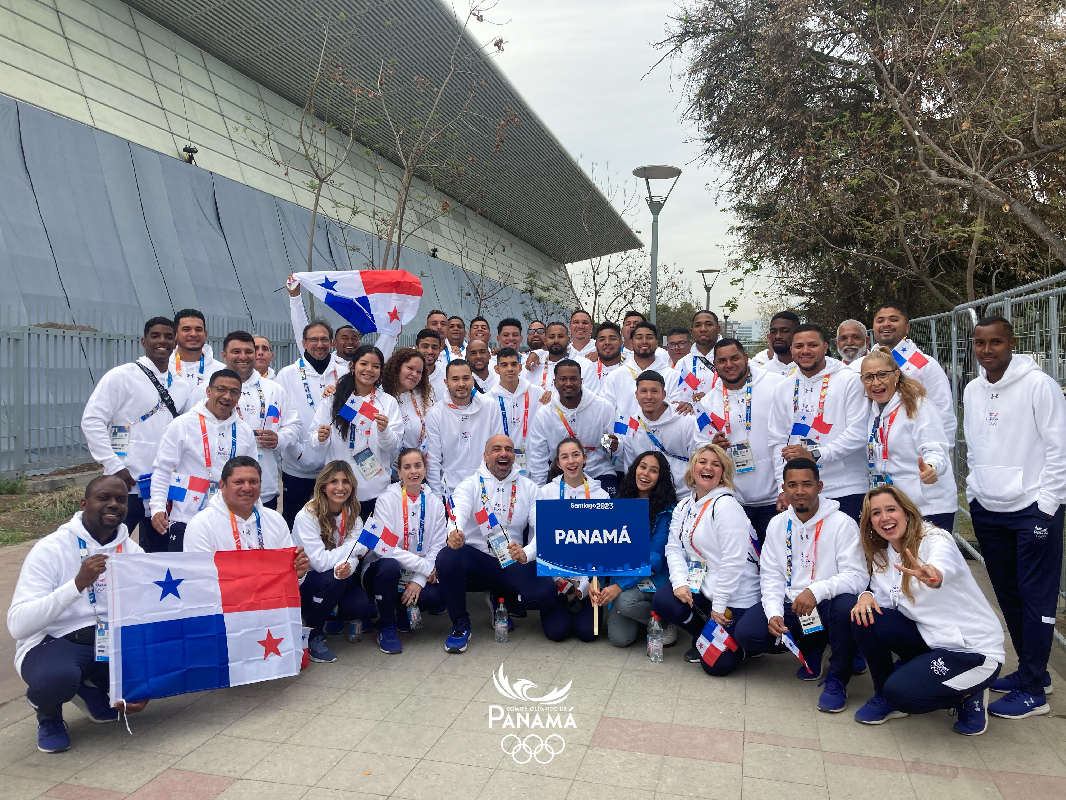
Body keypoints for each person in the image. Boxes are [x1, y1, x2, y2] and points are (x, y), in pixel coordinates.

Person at [964, 316, 1066, 717]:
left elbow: (1059, 448)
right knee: (1006, 593)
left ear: (1012, 343)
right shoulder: (973, 389)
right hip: (988, 509)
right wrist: (973, 492)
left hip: (1030, 510)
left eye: (996, 342)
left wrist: (1047, 505)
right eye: (980, 343)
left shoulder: (1039, 385)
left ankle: (1034, 692)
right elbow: (973, 445)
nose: (987, 350)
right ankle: (1033, 673)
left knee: (1035, 596)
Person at [8, 476, 149, 753]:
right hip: (55, 640)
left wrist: (143, 685)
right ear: (85, 504)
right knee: (56, 679)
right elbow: (17, 625)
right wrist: (76, 585)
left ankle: (88, 689)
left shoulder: (132, 551)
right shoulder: (51, 548)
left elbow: (144, 613)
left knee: (155, 665)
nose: (113, 505)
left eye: (121, 500)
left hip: (107, 640)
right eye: (104, 498)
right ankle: (49, 716)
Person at [850, 486, 1005, 735]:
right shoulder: (884, 554)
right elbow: (884, 602)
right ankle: (884, 694)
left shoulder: (935, 538)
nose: (885, 518)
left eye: (891, 509)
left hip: (971, 649)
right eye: (876, 513)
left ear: (907, 512)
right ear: (870, 522)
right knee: (864, 618)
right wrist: (866, 595)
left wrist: (935, 574)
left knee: (902, 693)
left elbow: (944, 563)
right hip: (931, 640)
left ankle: (968, 692)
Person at [733, 458, 866, 712]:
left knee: (847, 604)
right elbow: (770, 575)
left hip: (828, 607)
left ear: (820, 486)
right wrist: (773, 612)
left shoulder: (842, 524)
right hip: (792, 606)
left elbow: (857, 577)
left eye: (807, 484)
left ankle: (837, 678)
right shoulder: (778, 524)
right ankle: (811, 647)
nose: (800, 491)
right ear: (784, 489)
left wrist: (816, 591)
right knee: (747, 633)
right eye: (792, 485)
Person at [435, 434, 559, 653]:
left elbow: (545, 528)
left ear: (514, 456)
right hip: (477, 560)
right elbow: (458, 510)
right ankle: (461, 625)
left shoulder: (529, 488)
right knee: (447, 557)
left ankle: (501, 601)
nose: (504, 453)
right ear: (485, 455)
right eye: (497, 449)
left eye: (509, 449)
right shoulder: (471, 484)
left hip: (511, 559)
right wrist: (455, 531)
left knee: (546, 593)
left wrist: (527, 552)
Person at [82, 317, 191, 552]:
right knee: (107, 549)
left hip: (162, 487)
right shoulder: (121, 376)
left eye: (168, 336)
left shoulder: (181, 386)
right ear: (144, 341)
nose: (162, 341)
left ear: (175, 343)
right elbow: (92, 420)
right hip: (124, 485)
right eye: (155, 336)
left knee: (159, 556)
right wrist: (113, 466)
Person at [652, 444, 761, 674]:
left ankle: (739, 645)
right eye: (702, 462)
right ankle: (706, 634)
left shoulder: (726, 505)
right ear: (692, 467)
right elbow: (673, 548)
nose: (708, 467)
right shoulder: (684, 505)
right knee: (664, 599)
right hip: (703, 587)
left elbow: (734, 560)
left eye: (716, 464)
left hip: (734, 596)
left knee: (716, 666)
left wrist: (720, 604)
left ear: (723, 473)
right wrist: (680, 582)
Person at [766, 323, 869, 522]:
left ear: (824, 347)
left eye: (812, 345)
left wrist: (816, 455)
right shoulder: (784, 387)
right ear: (791, 349)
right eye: (799, 346)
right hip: (802, 492)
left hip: (846, 488)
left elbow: (858, 433)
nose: (805, 351)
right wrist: (784, 485)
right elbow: (777, 440)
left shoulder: (849, 381)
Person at [190, 331, 300, 511]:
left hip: (262, 490)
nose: (243, 357)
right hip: (214, 491)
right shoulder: (205, 390)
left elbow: (294, 424)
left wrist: (280, 439)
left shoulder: (274, 390)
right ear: (224, 355)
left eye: (248, 351)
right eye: (236, 351)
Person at [150, 369, 257, 552]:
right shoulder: (183, 424)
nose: (227, 396)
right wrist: (157, 507)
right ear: (209, 391)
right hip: (186, 518)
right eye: (221, 389)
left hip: (229, 520)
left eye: (234, 392)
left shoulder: (244, 430)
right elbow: (162, 469)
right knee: (186, 577)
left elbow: (253, 475)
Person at [361, 448, 448, 654]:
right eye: (407, 467)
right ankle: (387, 625)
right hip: (383, 568)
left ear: (425, 470)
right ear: (398, 473)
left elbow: (437, 545)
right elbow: (386, 548)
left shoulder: (435, 502)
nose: (413, 471)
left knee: (436, 596)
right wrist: (424, 568)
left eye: (418, 466)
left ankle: (401, 610)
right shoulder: (387, 500)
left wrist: (419, 579)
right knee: (389, 567)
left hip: (417, 573)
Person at [859, 347, 956, 530]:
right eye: (869, 377)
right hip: (895, 507)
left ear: (896, 375)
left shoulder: (919, 406)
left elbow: (935, 449)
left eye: (882, 375)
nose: (876, 383)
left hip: (928, 507)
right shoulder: (873, 410)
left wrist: (932, 467)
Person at [697, 339, 784, 544]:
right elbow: (698, 446)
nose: (729, 365)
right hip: (735, 502)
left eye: (734, 358)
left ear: (745, 358)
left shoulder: (775, 384)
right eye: (722, 361)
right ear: (715, 365)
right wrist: (712, 446)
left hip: (775, 498)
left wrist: (784, 488)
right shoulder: (707, 403)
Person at [290, 460, 373, 664]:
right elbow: (318, 562)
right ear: (323, 487)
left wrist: (350, 565)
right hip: (304, 581)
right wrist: (354, 550)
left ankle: (324, 612)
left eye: (345, 481)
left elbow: (357, 556)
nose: (340, 487)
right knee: (333, 577)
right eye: (333, 481)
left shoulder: (352, 512)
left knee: (359, 605)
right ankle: (313, 635)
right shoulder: (307, 515)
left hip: (336, 576)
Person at [308, 344, 401, 518]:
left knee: (369, 543)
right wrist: (321, 438)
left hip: (375, 491)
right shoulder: (333, 400)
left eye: (375, 366)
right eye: (363, 364)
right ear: (353, 366)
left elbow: (394, 446)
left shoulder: (387, 403)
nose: (369, 370)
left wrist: (384, 431)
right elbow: (314, 442)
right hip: (338, 490)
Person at [598, 451, 678, 648]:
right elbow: (604, 548)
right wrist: (599, 583)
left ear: (661, 478)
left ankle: (663, 622)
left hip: (652, 579)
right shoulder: (619, 503)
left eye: (653, 470)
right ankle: (643, 617)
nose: (646, 474)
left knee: (625, 602)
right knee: (619, 639)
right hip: (624, 580)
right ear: (634, 469)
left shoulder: (666, 511)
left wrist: (618, 587)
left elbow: (654, 559)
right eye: (642, 467)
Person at [533, 438, 610, 641]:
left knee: (588, 634)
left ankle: (581, 598)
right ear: (558, 463)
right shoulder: (546, 494)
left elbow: (604, 545)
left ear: (584, 458)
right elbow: (540, 540)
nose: (571, 461)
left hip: (587, 579)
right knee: (556, 633)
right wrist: (557, 581)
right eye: (564, 457)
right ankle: (558, 599)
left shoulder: (600, 496)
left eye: (576, 455)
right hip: (555, 576)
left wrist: (586, 586)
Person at [183, 456, 310, 570]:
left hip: (270, 596)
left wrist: (297, 573)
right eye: (238, 482)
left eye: (253, 482)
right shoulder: (201, 525)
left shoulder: (275, 520)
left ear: (260, 484)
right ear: (222, 485)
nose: (247, 488)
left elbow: (288, 577)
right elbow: (200, 580)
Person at [275, 320, 343, 528]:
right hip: (298, 469)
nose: (319, 344)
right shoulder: (287, 375)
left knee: (332, 528)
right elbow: (281, 420)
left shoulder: (345, 372)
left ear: (332, 343)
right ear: (304, 343)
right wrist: (299, 453)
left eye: (324, 339)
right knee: (295, 525)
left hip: (334, 469)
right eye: (313, 339)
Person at [527, 359, 617, 493]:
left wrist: (612, 446)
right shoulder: (544, 415)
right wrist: (539, 492)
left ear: (581, 381)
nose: (568, 384)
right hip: (561, 474)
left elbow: (609, 444)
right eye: (563, 379)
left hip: (598, 472)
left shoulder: (602, 407)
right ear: (555, 383)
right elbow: (538, 457)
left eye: (573, 379)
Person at [869, 303, 955, 441]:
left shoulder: (925, 364)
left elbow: (944, 412)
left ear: (907, 327)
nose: (886, 324)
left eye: (894, 319)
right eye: (880, 321)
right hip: (876, 452)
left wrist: (937, 457)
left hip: (916, 454)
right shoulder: (862, 365)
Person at [425, 359, 504, 502]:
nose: (461, 384)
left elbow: (497, 451)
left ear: (473, 380)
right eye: (455, 379)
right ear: (446, 382)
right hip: (450, 493)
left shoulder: (490, 406)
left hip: (486, 491)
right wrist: (436, 499)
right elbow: (433, 460)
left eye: (466, 378)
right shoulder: (435, 413)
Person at [615, 371, 697, 500]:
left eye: (654, 391)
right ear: (636, 395)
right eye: (643, 391)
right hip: (650, 498)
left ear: (664, 394)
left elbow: (697, 458)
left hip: (684, 495)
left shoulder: (685, 419)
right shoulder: (632, 425)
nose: (649, 396)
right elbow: (631, 468)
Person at [489, 347, 547, 477]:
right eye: (504, 365)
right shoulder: (488, 399)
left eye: (514, 364)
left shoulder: (538, 393)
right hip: (501, 464)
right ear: (496, 369)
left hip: (534, 465)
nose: (510, 369)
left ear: (520, 368)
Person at [602, 321, 673, 421]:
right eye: (639, 337)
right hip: (624, 435)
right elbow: (606, 411)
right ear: (631, 343)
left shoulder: (672, 375)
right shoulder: (615, 376)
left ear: (657, 343)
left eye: (649, 337)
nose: (644, 341)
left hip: (663, 434)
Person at [287, 281, 360, 369]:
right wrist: (295, 296)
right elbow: (300, 328)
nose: (350, 342)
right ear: (333, 343)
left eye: (354, 338)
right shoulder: (323, 362)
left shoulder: (366, 366)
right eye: (344, 338)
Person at [382, 348, 432, 452]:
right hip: (384, 464)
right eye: (410, 368)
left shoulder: (424, 397)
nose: (414, 374)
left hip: (414, 465)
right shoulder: (379, 395)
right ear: (397, 367)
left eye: (419, 372)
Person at [668, 310, 721, 401]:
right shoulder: (683, 364)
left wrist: (710, 399)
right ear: (692, 332)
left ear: (718, 329)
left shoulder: (730, 360)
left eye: (709, 324)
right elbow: (674, 397)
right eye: (698, 325)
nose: (703, 329)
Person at [169, 309, 224, 388]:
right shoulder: (164, 367)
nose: (193, 334)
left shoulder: (221, 371)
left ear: (205, 334)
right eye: (186, 329)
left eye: (198, 329)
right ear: (175, 334)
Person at [581, 322, 627, 396]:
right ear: (596, 345)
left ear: (621, 342)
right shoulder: (587, 368)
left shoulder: (631, 367)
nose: (607, 343)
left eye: (612, 339)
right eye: (602, 340)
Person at [752, 311, 800, 376]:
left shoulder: (809, 370)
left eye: (785, 331)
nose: (778, 336)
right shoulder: (763, 373)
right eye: (773, 331)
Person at [526, 322, 571, 392]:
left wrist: (554, 396)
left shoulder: (581, 364)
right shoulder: (533, 365)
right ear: (545, 340)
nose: (556, 340)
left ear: (568, 340)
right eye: (551, 337)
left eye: (560, 336)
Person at [415, 328, 447, 402]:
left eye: (434, 347)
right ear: (416, 348)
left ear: (440, 350)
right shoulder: (408, 377)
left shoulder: (446, 379)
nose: (430, 351)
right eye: (425, 346)